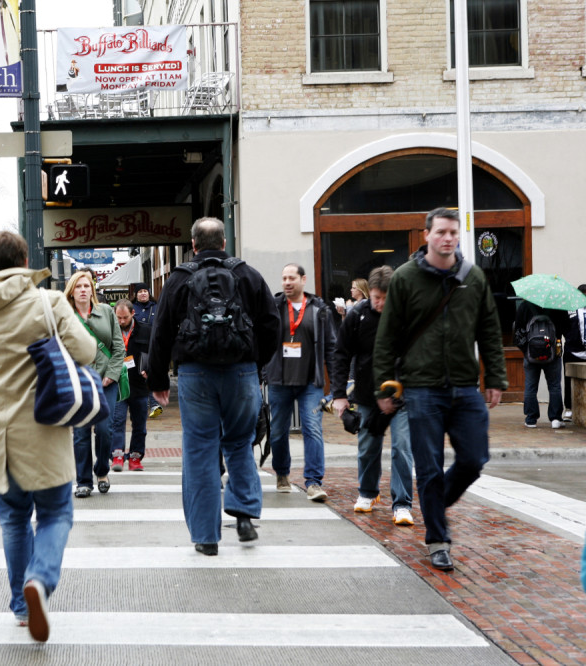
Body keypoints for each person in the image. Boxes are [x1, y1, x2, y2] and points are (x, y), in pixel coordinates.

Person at [0, 231, 95, 642]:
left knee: (13, 519)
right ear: (25, 260)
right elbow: (86, 352)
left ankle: (20, 604)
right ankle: (40, 580)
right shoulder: (47, 302)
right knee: (55, 514)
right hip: (45, 428)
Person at [374, 207, 507, 572]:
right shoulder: (404, 278)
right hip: (422, 388)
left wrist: (495, 377)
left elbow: (489, 332)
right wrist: (383, 385)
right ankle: (438, 539)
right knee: (429, 467)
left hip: (464, 387)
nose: (448, 238)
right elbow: (386, 337)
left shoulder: (473, 277)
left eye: (453, 232)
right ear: (427, 235)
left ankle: (435, 504)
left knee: (474, 459)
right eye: (441, 232)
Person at [148, 217, 280, 555]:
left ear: (193, 244)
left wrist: (160, 380)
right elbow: (271, 324)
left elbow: (161, 331)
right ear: (224, 242)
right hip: (241, 372)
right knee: (239, 442)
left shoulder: (179, 279)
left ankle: (206, 537)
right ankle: (245, 513)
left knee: (200, 449)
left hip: (195, 375)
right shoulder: (248, 275)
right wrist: (256, 363)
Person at [331, 266, 415, 525]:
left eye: (385, 297)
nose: (379, 303)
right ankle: (368, 492)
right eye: (376, 297)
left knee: (402, 447)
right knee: (368, 446)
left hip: (400, 393)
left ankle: (402, 503)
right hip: (367, 394)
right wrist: (339, 395)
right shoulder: (358, 315)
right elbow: (341, 354)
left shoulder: (405, 315)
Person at [263, 263, 337, 502]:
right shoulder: (273, 307)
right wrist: (263, 371)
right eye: (284, 278)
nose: (286, 282)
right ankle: (282, 474)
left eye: (291, 278)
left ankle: (314, 482)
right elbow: (260, 340)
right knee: (277, 432)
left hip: (309, 383)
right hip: (279, 381)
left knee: (312, 429)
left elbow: (332, 348)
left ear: (303, 280)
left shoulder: (319, 309)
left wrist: (336, 385)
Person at [64, 271, 124, 498]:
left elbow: (118, 348)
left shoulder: (106, 312)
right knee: (80, 433)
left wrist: (111, 374)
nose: (82, 290)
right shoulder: (64, 317)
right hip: (78, 383)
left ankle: (102, 471)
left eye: (86, 286)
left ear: (92, 290)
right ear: (71, 291)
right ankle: (84, 481)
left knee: (104, 430)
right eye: (78, 286)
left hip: (106, 382)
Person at [111, 299, 151, 472]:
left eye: (124, 318)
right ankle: (117, 454)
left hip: (139, 384)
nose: (121, 321)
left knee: (139, 423)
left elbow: (154, 353)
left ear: (132, 313)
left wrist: (150, 369)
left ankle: (135, 456)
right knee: (117, 421)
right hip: (119, 384)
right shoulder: (111, 331)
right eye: (118, 318)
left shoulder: (146, 330)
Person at [514, 298, 567, 429]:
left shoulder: (525, 305)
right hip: (553, 353)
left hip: (530, 354)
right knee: (554, 386)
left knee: (530, 386)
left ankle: (531, 419)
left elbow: (518, 328)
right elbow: (567, 327)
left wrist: (525, 349)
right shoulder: (558, 304)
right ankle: (555, 419)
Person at [131, 282, 162, 419]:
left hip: (152, 347)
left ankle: (154, 404)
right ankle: (138, 405)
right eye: (140, 291)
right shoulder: (130, 308)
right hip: (133, 347)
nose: (143, 293)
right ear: (136, 294)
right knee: (135, 376)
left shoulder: (157, 307)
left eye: (145, 291)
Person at [562, 285, 586, 421]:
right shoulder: (570, 309)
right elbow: (564, 326)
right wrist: (571, 338)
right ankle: (569, 408)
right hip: (572, 351)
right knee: (567, 380)